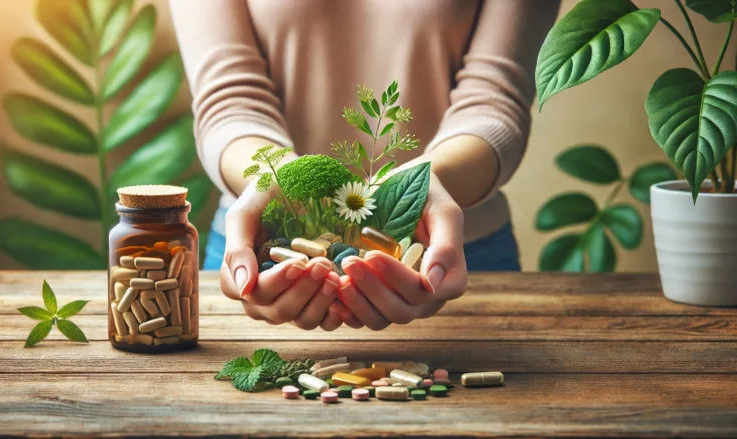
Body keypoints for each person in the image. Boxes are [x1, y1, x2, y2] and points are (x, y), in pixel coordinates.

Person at [170, 0, 560, 331]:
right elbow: (228, 101)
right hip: (262, 247)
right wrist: (277, 180)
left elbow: (496, 100)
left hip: (453, 254)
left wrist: (424, 184)